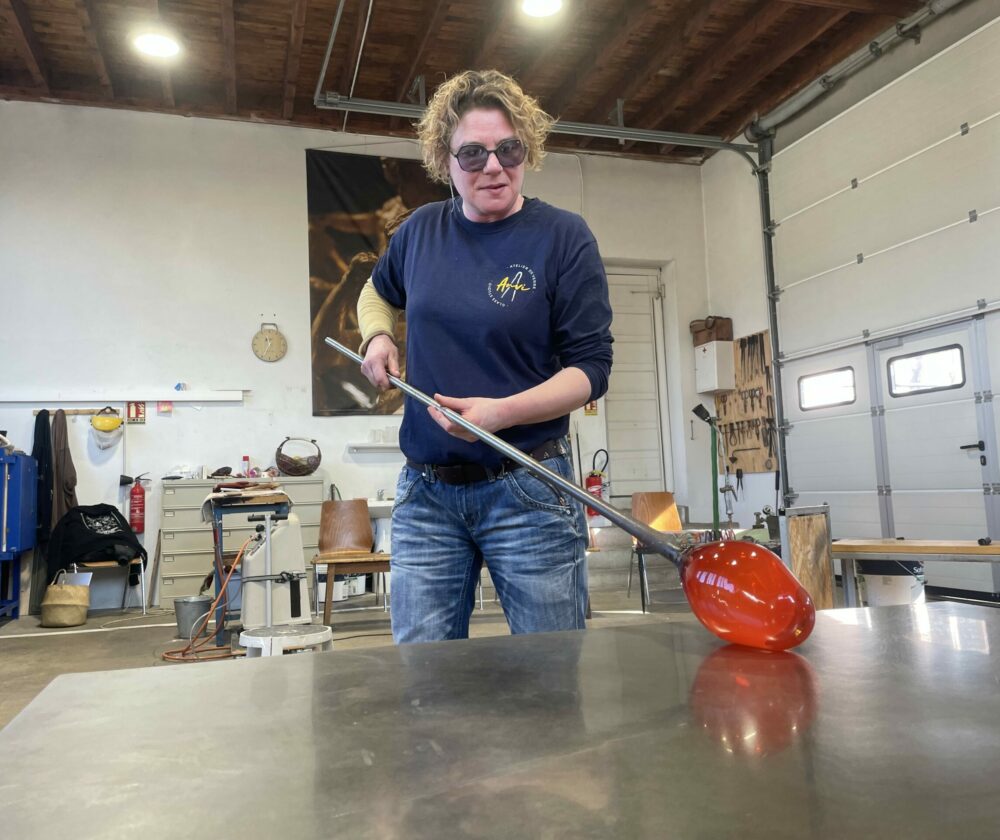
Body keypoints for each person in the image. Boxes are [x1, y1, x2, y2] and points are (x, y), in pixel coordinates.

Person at [356, 69, 613, 643]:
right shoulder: (420, 232)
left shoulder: (563, 237)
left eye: (508, 150)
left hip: (528, 485)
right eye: (472, 153)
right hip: (426, 494)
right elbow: (376, 291)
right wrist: (377, 337)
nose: (493, 166)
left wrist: (501, 414)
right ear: (444, 160)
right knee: (424, 677)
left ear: (527, 151)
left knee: (549, 673)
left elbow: (591, 369)